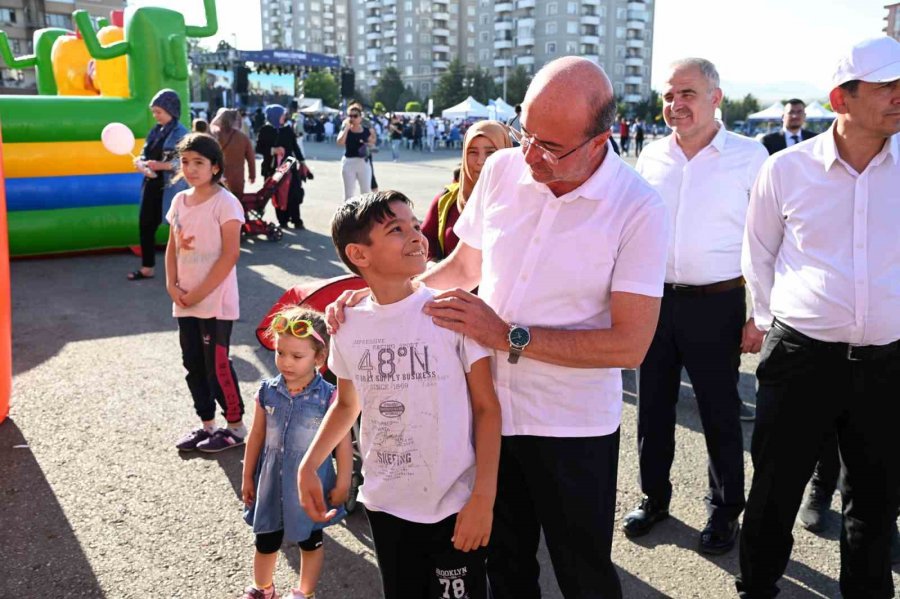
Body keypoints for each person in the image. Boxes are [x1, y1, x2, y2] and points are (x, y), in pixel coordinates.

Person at [326, 56, 668, 598]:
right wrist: (376, 301)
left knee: (584, 575)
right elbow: (464, 267)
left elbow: (630, 344)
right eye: (525, 132)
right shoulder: (505, 169)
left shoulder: (639, 207)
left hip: (571, 428)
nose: (530, 154)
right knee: (505, 569)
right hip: (487, 417)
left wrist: (507, 334)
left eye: (550, 146)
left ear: (600, 141)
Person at [737, 37, 900, 599]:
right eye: (888, 86)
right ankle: (756, 588)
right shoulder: (786, 170)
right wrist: (768, 317)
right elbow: (757, 252)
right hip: (801, 360)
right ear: (841, 98)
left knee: (876, 506)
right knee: (774, 496)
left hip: (887, 366)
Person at [298, 191, 501, 599]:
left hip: (453, 506)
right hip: (385, 504)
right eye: (396, 229)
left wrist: (483, 498)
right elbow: (347, 403)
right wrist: (308, 464)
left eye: (414, 225)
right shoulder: (349, 324)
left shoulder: (453, 313)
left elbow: (486, 408)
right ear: (359, 253)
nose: (416, 235)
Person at [622, 58, 769, 556]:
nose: (674, 104)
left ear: (716, 98)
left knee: (719, 410)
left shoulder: (751, 156)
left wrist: (760, 314)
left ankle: (726, 510)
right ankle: (654, 498)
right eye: (668, 95)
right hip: (656, 301)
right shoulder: (652, 154)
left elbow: (771, 238)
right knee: (653, 408)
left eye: (687, 93)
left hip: (718, 302)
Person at [240, 307, 351, 599]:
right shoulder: (267, 390)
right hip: (270, 482)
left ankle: (305, 592)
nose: (285, 362)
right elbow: (256, 436)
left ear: (320, 357)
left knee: (310, 539)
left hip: (310, 485)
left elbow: (342, 442)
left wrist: (343, 482)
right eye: (280, 353)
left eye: (296, 356)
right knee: (265, 538)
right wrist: (247, 477)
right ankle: (263, 588)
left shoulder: (330, 396)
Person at [164, 133, 247, 453]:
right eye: (185, 162)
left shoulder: (226, 203)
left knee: (217, 365)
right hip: (185, 300)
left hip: (215, 303)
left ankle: (236, 428)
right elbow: (172, 246)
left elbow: (231, 254)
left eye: (199, 162)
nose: (191, 168)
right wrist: (171, 285)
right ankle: (207, 425)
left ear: (215, 167)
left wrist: (200, 292)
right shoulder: (179, 201)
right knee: (193, 364)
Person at [421, 120, 512, 263]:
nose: (481, 160)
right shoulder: (447, 200)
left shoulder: (525, 201)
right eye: (472, 152)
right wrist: (431, 263)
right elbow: (424, 243)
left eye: (490, 152)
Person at [128, 89, 188, 281]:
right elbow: (145, 153)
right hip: (151, 184)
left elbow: (186, 162)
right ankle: (147, 267)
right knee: (145, 224)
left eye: (159, 111)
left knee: (178, 229)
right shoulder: (155, 131)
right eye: (154, 112)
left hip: (171, 187)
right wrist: (140, 162)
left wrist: (161, 165)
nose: (156, 116)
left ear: (171, 110)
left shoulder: (182, 133)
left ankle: (186, 272)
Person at [255, 104, 306, 229]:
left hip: (288, 165)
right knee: (277, 193)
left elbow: (294, 146)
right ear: (275, 116)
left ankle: (296, 219)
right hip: (272, 167)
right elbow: (258, 148)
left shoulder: (287, 129)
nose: (285, 117)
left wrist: (302, 161)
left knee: (293, 192)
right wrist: (273, 150)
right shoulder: (265, 130)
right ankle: (282, 220)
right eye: (282, 114)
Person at [211, 109, 256, 199]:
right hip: (237, 179)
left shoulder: (215, 135)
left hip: (218, 178)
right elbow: (251, 159)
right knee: (235, 205)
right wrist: (252, 175)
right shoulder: (243, 137)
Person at [336, 102, 376, 200]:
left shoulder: (366, 129)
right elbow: (340, 142)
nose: (352, 118)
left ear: (360, 117)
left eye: (355, 116)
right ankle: (348, 215)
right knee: (349, 194)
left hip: (363, 162)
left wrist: (369, 143)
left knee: (366, 192)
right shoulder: (345, 128)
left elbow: (373, 141)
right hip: (349, 162)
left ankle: (364, 214)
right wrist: (346, 129)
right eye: (350, 116)